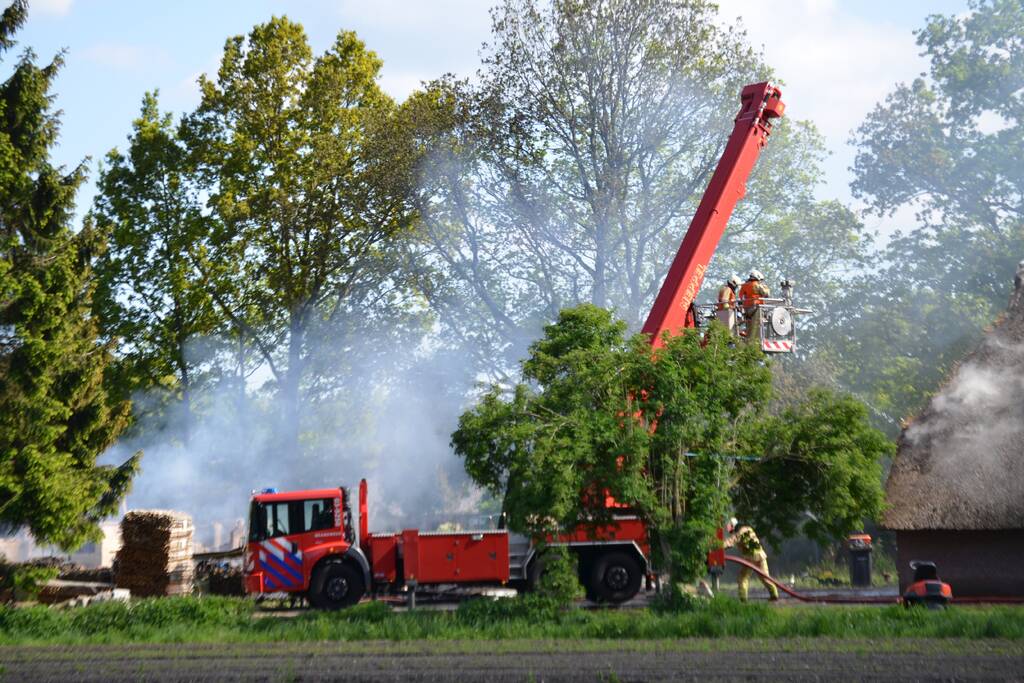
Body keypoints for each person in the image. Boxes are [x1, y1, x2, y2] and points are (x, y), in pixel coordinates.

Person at [724, 517, 779, 601]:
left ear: (733, 525)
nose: (729, 529)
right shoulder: (748, 528)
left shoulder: (740, 532)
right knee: (765, 578)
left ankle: (743, 598)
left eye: (729, 526)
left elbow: (731, 541)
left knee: (743, 578)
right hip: (761, 555)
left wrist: (719, 546)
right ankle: (774, 594)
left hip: (750, 558)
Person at [738, 270, 770, 340]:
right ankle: (758, 339)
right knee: (758, 326)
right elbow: (766, 293)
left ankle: (747, 336)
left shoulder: (744, 285)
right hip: (756, 307)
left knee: (749, 325)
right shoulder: (757, 284)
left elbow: (740, 297)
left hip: (747, 309)